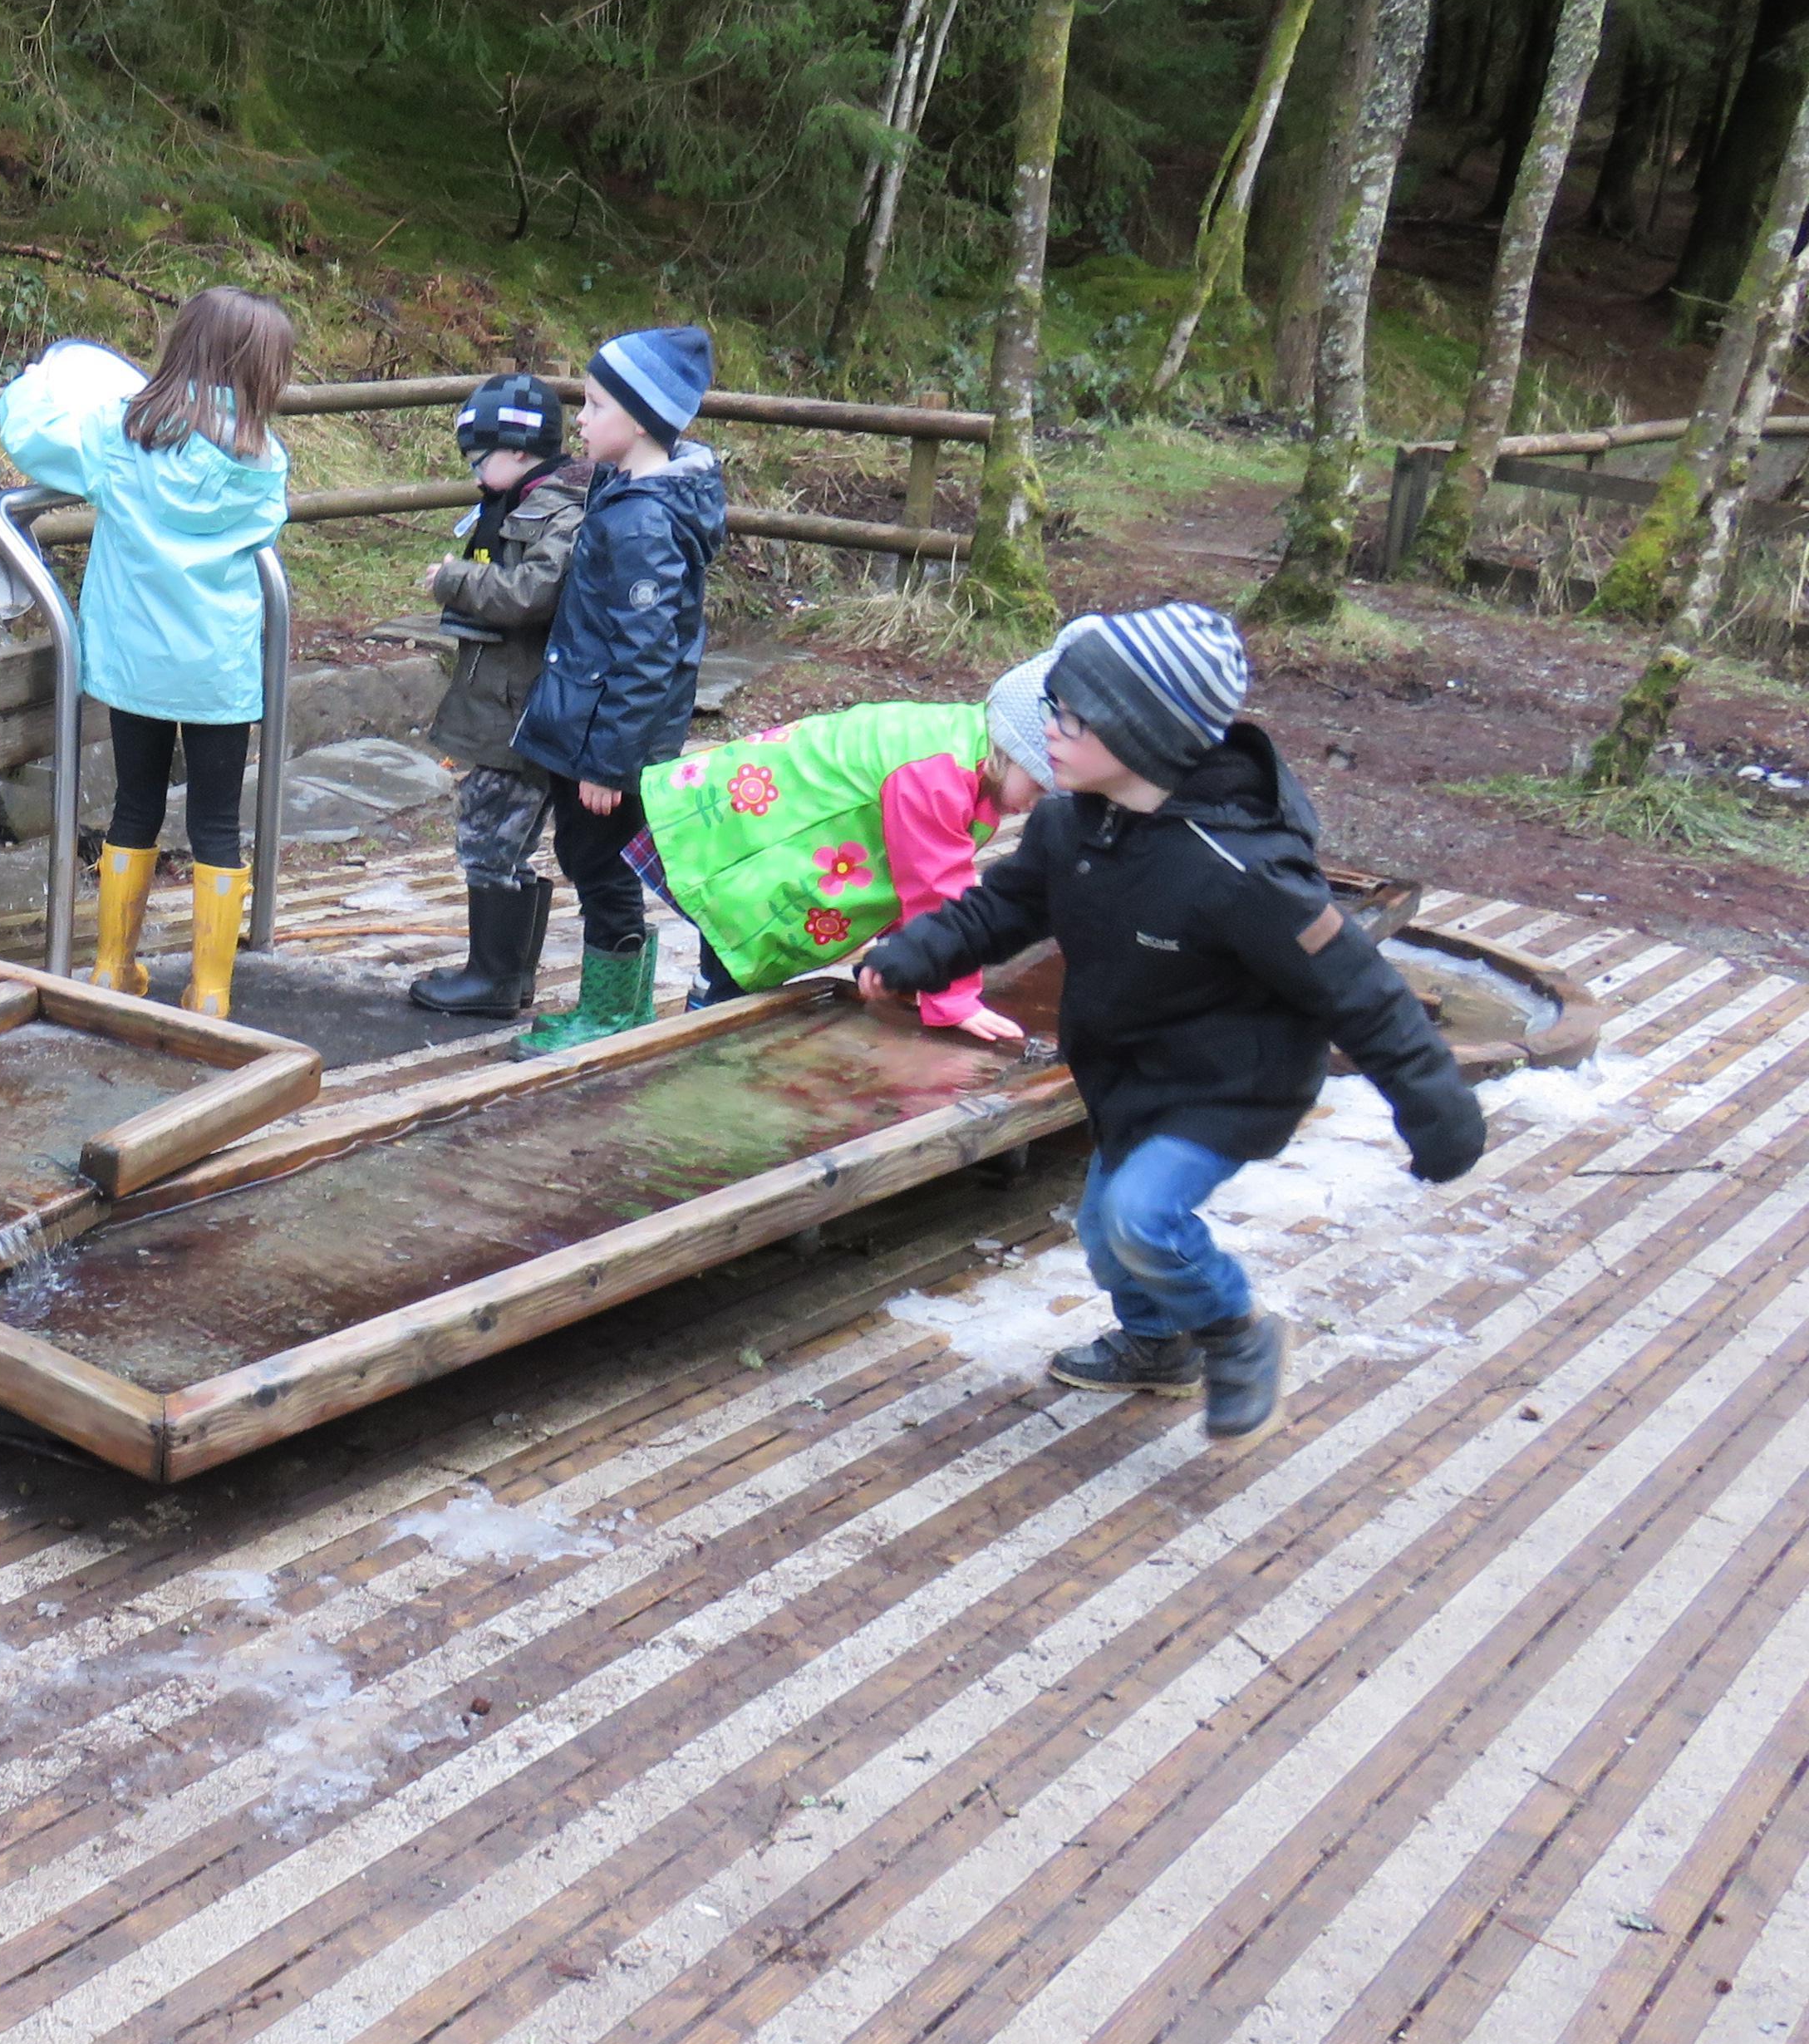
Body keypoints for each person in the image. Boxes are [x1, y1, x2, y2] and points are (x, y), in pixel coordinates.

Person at [857, 602, 1482, 1446]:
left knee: (1141, 1218)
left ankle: (1237, 1335)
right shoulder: (1068, 824)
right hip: (1127, 1074)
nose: (1050, 729)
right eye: (1052, 707)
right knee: (1107, 1235)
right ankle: (1159, 1344)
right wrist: (915, 954)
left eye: (1071, 717)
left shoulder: (1247, 872)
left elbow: (1362, 992)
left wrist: (1436, 1108)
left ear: (1143, 737)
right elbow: (1000, 909)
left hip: (1230, 1087)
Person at [0, 286, 293, 1021]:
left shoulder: (118, 432)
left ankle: (111, 967)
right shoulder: (265, 459)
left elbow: (29, 437)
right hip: (219, 669)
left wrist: (39, 377)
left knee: (135, 806)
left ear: (182, 345)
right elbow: (262, 532)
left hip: (134, 662)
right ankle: (211, 992)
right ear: (263, 372)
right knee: (217, 824)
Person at [627, 651, 1058, 1042]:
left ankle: (708, 1025)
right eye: (1039, 786)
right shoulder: (938, 776)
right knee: (731, 959)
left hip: (776, 836)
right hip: (745, 839)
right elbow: (935, 888)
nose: (1036, 805)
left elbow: (909, 869)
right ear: (1011, 751)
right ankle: (703, 1047)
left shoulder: (972, 761)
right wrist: (952, 997)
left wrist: (903, 960)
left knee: (733, 955)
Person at [509, 325, 725, 1054]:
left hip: (607, 738)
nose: (581, 419)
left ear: (637, 422)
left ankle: (609, 1014)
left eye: (595, 405)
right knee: (595, 858)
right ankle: (621, 1004)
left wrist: (608, 763)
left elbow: (647, 654)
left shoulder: (643, 524)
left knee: (602, 867)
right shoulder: (622, 491)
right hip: (594, 721)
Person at [408, 373, 591, 1017]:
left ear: (517, 449)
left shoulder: (559, 511)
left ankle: (491, 978)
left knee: (489, 840)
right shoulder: (525, 501)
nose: (475, 472)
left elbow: (531, 593)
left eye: (478, 458)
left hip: (517, 710)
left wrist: (454, 580)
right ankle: (508, 975)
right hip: (505, 702)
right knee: (505, 842)